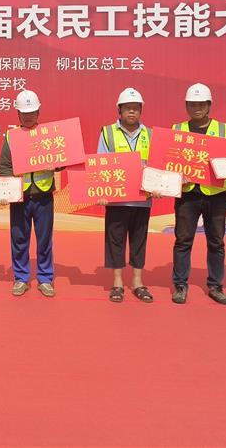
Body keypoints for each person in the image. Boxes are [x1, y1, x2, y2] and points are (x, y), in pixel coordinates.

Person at [171, 83, 226, 306]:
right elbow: (168, 161)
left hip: (215, 195)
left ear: (209, 105)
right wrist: (175, 176)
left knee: (216, 242)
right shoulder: (177, 129)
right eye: (192, 104)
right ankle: (180, 285)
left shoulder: (223, 129)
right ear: (186, 106)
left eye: (201, 104)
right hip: (187, 194)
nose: (197, 107)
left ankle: (215, 286)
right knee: (183, 241)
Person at [97, 87, 154, 304]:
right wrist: (102, 192)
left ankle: (138, 282)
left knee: (139, 240)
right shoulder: (108, 132)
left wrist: (159, 186)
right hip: (117, 199)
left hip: (142, 198)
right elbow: (101, 163)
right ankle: (118, 283)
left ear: (141, 111)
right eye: (127, 108)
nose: (131, 112)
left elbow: (156, 165)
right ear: (119, 110)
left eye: (135, 108)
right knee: (116, 240)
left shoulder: (150, 134)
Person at [0, 90, 56, 297]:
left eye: (32, 112)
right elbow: (4, 166)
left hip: (43, 195)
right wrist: (6, 190)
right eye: (24, 113)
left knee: (44, 240)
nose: (28, 116)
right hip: (20, 197)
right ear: (18, 114)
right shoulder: (11, 136)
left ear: (38, 112)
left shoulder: (49, 134)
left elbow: (63, 159)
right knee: (19, 239)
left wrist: (56, 164)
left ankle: (45, 278)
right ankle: (21, 278)